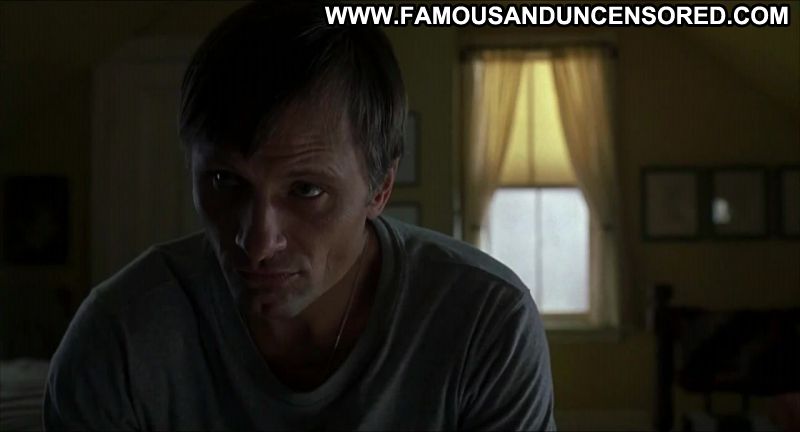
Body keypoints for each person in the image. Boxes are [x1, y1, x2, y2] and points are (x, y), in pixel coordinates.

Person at [43, 2, 555, 430]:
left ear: (380, 188)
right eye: (225, 181)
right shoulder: (120, 336)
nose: (256, 241)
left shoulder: (484, 322)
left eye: (306, 190)